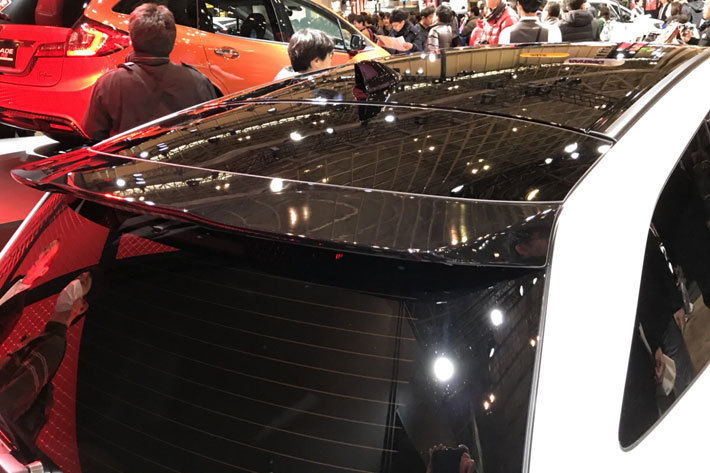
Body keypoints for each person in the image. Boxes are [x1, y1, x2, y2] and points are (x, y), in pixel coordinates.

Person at [82, 3, 217, 141]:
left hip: (130, 155)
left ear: (132, 38)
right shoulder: (199, 81)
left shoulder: (109, 83)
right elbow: (212, 129)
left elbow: (92, 133)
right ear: (172, 40)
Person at [0, 272, 91, 448]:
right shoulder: (44, 336)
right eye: (78, 277)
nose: (73, 283)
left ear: (82, 307)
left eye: (83, 282)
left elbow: (14, 396)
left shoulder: (54, 344)